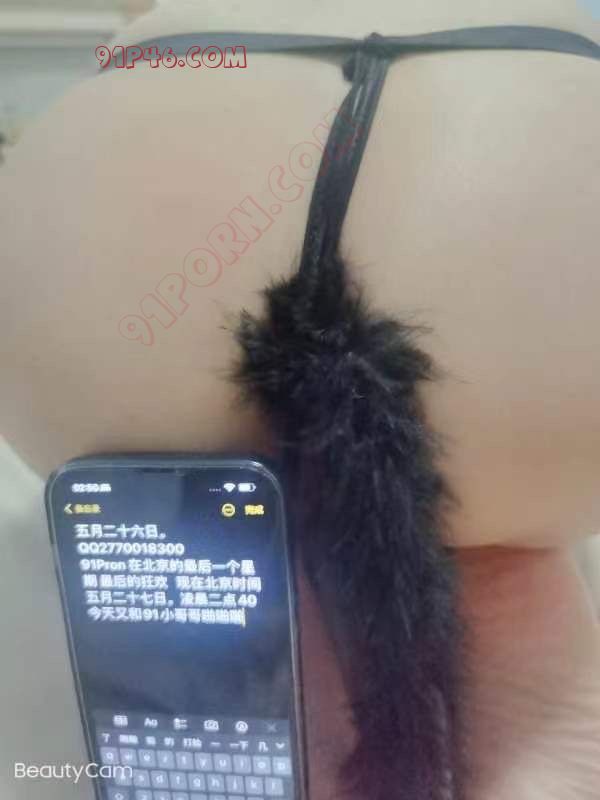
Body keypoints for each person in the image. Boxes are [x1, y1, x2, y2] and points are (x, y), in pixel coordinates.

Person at [1, 1, 599, 798]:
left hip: (138, 250)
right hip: (529, 196)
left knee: (244, 572)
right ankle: (515, 677)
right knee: (496, 536)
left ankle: (299, 701)